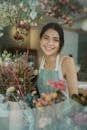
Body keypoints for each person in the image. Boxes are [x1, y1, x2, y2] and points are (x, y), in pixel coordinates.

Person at [37, 22, 78, 99]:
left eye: (55, 40)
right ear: (40, 40)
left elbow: (74, 99)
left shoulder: (67, 62)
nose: (50, 43)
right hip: (41, 109)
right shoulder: (40, 61)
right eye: (46, 38)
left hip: (64, 111)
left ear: (60, 44)